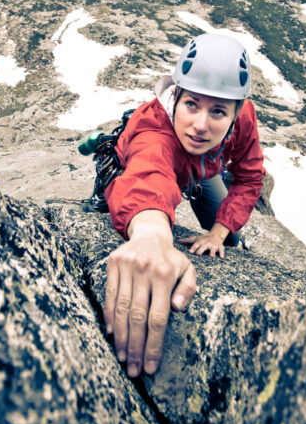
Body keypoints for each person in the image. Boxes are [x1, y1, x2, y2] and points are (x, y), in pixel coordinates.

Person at [103, 33, 265, 378]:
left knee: (230, 242)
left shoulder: (245, 118)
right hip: (157, 168)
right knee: (123, 211)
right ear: (175, 97)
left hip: (201, 171)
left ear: (236, 114)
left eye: (218, 111)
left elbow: (250, 178)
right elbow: (148, 177)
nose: (201, 125)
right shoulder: (154, 131)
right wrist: (151, 235)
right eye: (191, 104)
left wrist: (219, 233)